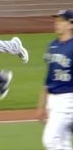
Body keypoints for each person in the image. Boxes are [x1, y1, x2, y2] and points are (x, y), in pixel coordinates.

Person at [37, 9, 73, 150]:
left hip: (67, 99)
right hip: (52, 100)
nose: (56, 23)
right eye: (56, 20)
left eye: (60, 20)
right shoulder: (52, 46)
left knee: (50, 140)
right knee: (62, 142)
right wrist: (42, 104)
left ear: (70, 24)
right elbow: (49, 77)